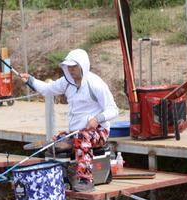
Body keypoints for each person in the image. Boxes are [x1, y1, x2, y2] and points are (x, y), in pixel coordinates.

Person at [19, 49, 119, 192]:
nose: (71, 70)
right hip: (75, 132)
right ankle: (58, 159)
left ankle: (86, 180)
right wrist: (31, 80)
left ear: (83, 66)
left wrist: (97, 119)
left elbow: (113, 109)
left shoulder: (96, 84)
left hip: (98, 132)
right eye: (68, 67)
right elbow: (48, 89)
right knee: (59, 140)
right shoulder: (66, 82)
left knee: (81, 137)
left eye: (74, 67)